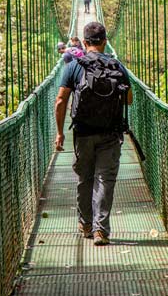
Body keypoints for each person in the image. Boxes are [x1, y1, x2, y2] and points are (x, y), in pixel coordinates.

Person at [54, 21, 132, 246]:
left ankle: (86, 224)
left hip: (83, 132)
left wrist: (60, 133)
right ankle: (101, 230)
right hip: (110, 132)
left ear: (84, 42)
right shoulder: (117, 66)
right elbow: (129, 99)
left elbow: (60, 101)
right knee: (104, 180)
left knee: (85, 178)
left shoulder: (73, 65)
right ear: (105, 42)